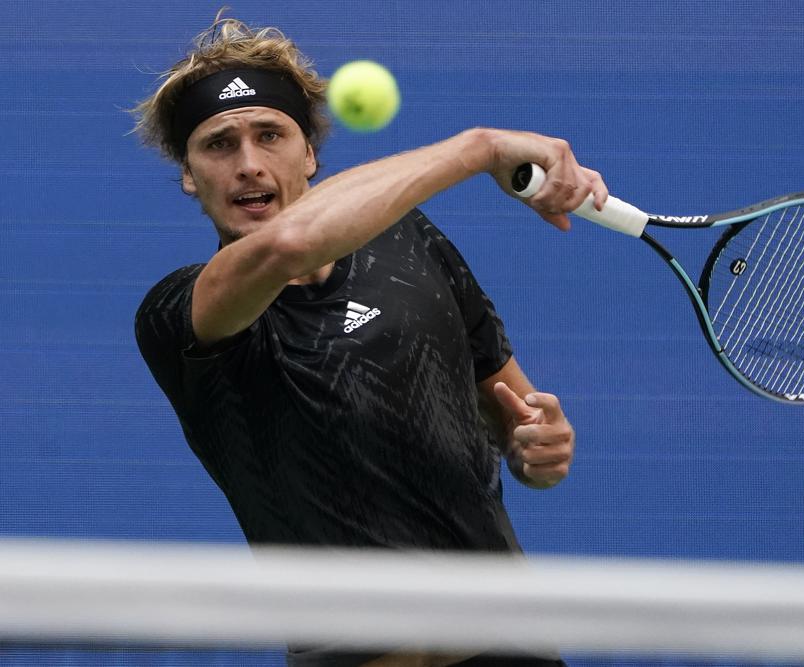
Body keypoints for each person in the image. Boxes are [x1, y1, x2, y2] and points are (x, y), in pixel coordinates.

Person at [131, 15, 607, 667]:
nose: (248, 165)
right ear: (189, 174)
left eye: (270, 134)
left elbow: (512, 414)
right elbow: (290, 243)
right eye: (218, 145)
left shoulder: (412, 242)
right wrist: (480, 148)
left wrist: (537, 447)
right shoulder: (178, 312)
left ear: (310, 156)